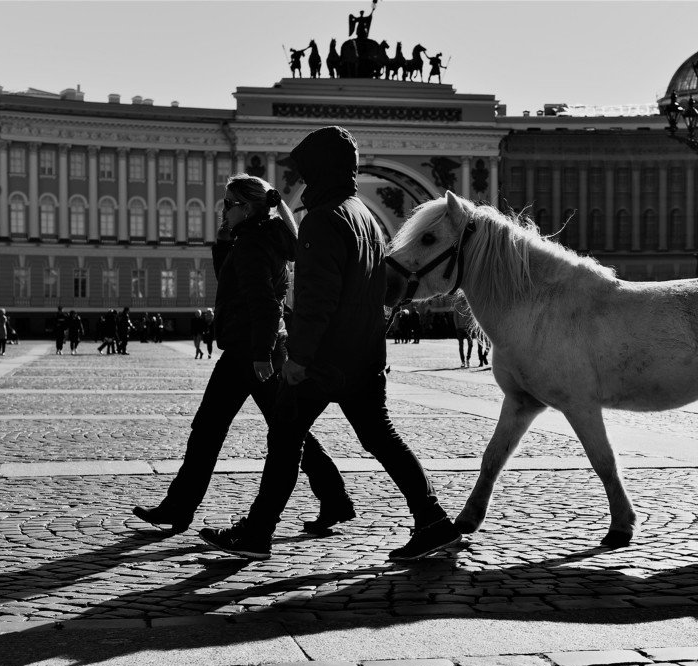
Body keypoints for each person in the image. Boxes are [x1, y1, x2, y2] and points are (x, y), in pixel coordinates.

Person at [199, 126, 461, 562]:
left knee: (285, 437)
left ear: (320, 169)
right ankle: (433, 520)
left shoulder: (322, 219)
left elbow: (317, 299)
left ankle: (258, 532)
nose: (303, 177)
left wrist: (299, 358)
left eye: (306, 168)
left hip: (323, 360)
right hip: (364, 355)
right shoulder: (366, 217)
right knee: (381, 438)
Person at [133, 174, 353, 541]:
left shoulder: (253, 244)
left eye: (229, 204)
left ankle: (180, 507)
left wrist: (261, 355)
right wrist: (222, 246)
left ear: (248, 207)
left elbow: (264, 304)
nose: (223, 210)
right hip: (251, 350)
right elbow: (237, 288)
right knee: (262, 430)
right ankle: (334, 499)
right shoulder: (261, 238)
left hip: (251, 354)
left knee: (245, 431)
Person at [453, 302, 474, 368]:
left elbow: (471, 316)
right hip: (460, 329)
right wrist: (457, 328)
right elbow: (455, 317)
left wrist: (471, 327)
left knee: (470, 344)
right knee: (461, 345)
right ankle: (463, 361)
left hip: (468, 328)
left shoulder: (469, 304)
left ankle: (468, 359)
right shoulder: (457, 305)